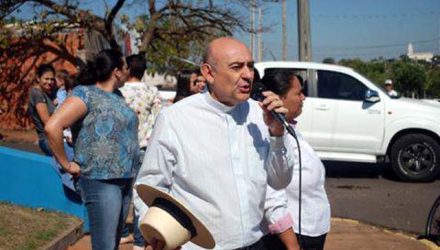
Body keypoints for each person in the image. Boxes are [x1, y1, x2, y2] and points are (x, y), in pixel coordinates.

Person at [134, 37, 295, 249]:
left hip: (255, 243)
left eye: (250, 66)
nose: (248, 75)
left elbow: (280, 181)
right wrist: (157, 234)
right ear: (209, 73)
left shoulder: (261, 115)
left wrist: (277, 134)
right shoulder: (175, 118)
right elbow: (150, 184)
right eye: (236, 67)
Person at [45, 49, 139, 250]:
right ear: (116, 71)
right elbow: (53, 126)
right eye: (126, 67)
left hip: (124, 178)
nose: (128, 71)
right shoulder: (84, 93)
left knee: (112, 244)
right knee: (105, 245)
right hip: (99, 180)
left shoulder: (118, 95)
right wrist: (66, 164)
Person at [261, 70, 330, 250]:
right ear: (278, 99)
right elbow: (271, 196)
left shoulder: (289, 127)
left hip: (310, 231)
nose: (303, 97)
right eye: (298, 93)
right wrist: (292, 244)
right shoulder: (268, 134)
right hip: (293, 236)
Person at [119, 54, 161, 249]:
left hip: (121, 149)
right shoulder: (152, 92)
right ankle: (138, 240)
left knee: (121, 194)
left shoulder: (118, 92)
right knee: (140, 196)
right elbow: (160, 119)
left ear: (127, 68)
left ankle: (122, 233)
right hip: (145, 148)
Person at [28, 63, 56, 156]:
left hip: (51, 139)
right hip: (48, 140)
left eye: (52, 79)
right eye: (46, 79)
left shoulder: (44, 93)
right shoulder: (38, 94)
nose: (50, 82)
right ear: (38, 78)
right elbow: (47, 121)